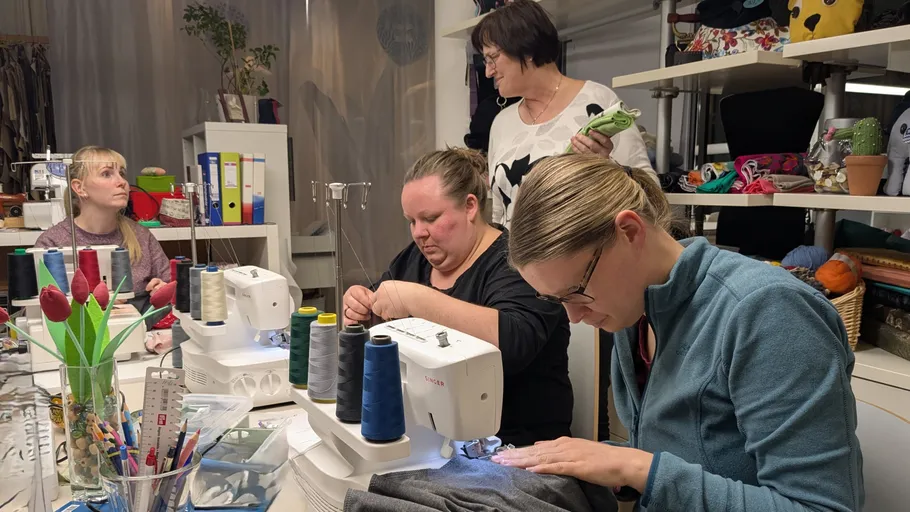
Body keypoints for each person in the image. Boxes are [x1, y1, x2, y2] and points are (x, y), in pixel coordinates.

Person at [495, 153, 864, 511]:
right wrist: (603, 463)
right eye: (557, 300)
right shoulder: (637, 310)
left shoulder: (768, 312)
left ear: (629, 232)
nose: (574, 317)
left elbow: (820, 506)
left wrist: (638, 470)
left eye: (576, 292)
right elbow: (686, 458)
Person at [343, 148, 573, 447]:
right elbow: (379, 309)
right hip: (431, 439)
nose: (418, 233)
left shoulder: (517, 262)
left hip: (515, 448)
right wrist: (360, 306)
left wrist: (417, 301)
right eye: (411, 221)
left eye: (430, 218)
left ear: (469, 206)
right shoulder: (416, 259)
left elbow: (515, 343)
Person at [472, 0, 656, 228]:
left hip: (584, 258)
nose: (489, 71)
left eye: (493, 58)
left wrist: (606, 168)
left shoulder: (597, 101)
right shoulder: (502, 123)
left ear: (525, 49)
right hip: (515, 261)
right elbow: (500, 215)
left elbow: (650, 197)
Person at [35, 146, 170, 295]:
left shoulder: (141, 236)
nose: (122, 182)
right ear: (79, 188)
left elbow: (171, 289)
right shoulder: (52, 243)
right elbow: (33, 310)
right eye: (106, 174)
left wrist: (162, 289)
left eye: (122, 174)